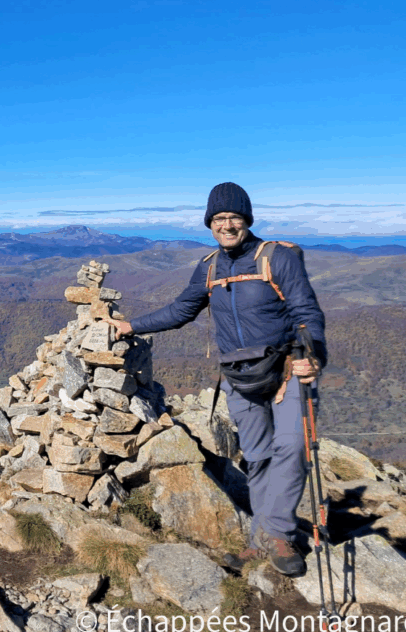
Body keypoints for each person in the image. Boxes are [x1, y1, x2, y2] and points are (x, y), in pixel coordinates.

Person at [104, 182, 326, 577]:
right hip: (240, 376)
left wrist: (312, 354)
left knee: (292, 449)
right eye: (219, 218)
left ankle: (277, 534)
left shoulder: (276, 257)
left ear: (247, 220)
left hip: (288, 370)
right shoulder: (209, 267)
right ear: (210, 224)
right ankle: (265, 538)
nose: (227, 225)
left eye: (234, 217)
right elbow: (180, 310)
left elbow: (306, 310)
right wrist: (129, 325)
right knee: (257, 459)